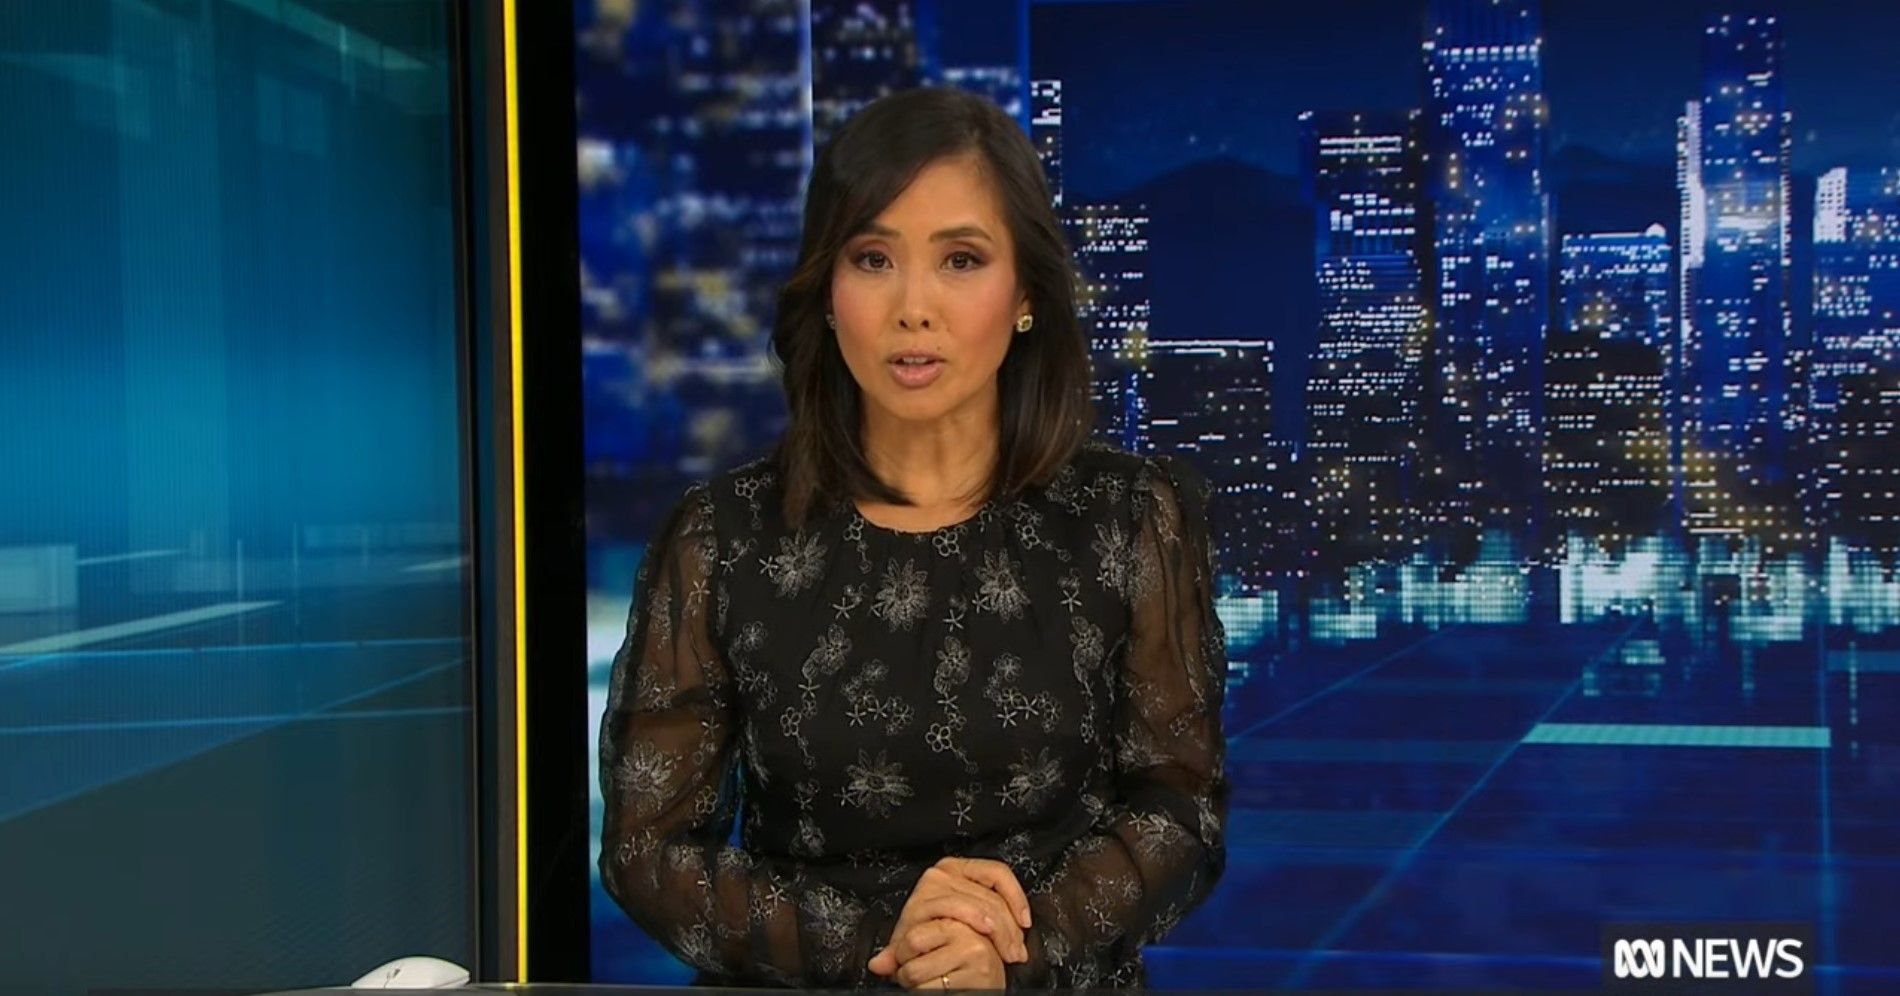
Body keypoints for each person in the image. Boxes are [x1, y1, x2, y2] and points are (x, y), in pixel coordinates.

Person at [598, 86, 1228, 990]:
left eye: (961, 259)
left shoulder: (1128, 517)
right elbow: (649, 849)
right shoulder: (723, 536)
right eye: (873, 258)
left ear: (1025, 293)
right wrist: (884, 949)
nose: (914, 307)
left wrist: (1014, 950)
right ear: (827, 292)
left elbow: (1180, 809)